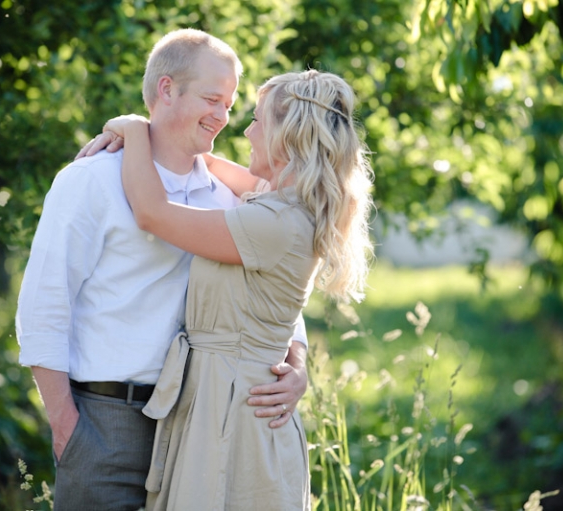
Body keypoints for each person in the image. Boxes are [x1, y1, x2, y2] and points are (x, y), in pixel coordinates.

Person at [15, 29, 309, 511]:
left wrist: (297, 364)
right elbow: (43, 306)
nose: (223, 116)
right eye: (212, 99)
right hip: (107, 422)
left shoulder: (228, 196)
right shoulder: (91, 180)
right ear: (167, 89)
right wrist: (66, 426)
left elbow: (278, 293)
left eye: (231, 105)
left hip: (199, 422)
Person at [95, 68, 374, 510]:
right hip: (225, 399)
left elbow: (151, 213)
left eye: (258, 120)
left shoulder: (274, 222)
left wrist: (132, 128)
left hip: (234, 412)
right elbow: (206, 166)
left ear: (286, 135)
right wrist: (162, 138)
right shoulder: (287, 204)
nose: (245, 129)